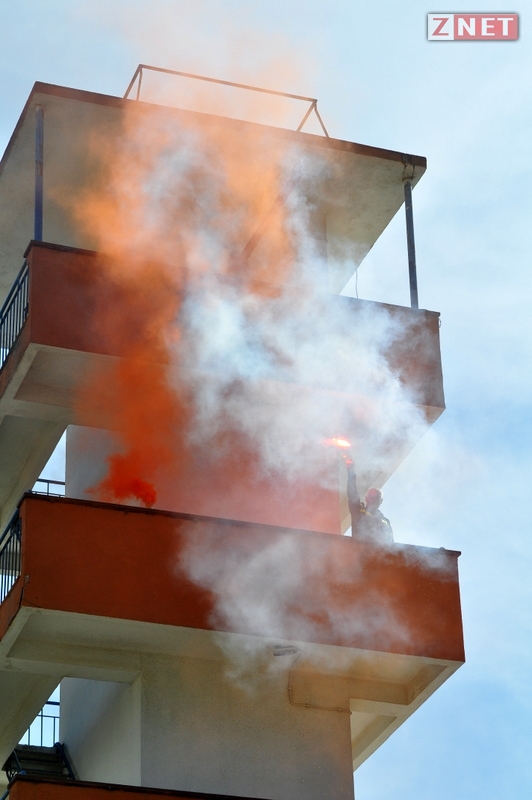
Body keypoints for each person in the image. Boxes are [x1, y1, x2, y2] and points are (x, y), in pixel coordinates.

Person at [343, 452, 393, 545]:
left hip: (380, 553)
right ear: (366, 498)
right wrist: (351, 471)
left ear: (381, 500)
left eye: (376, 496)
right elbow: (352, 492)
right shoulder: (358, 511)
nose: (372, 498)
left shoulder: (386, 522)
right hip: (360, 550)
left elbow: (391, 543)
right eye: (370, 496)